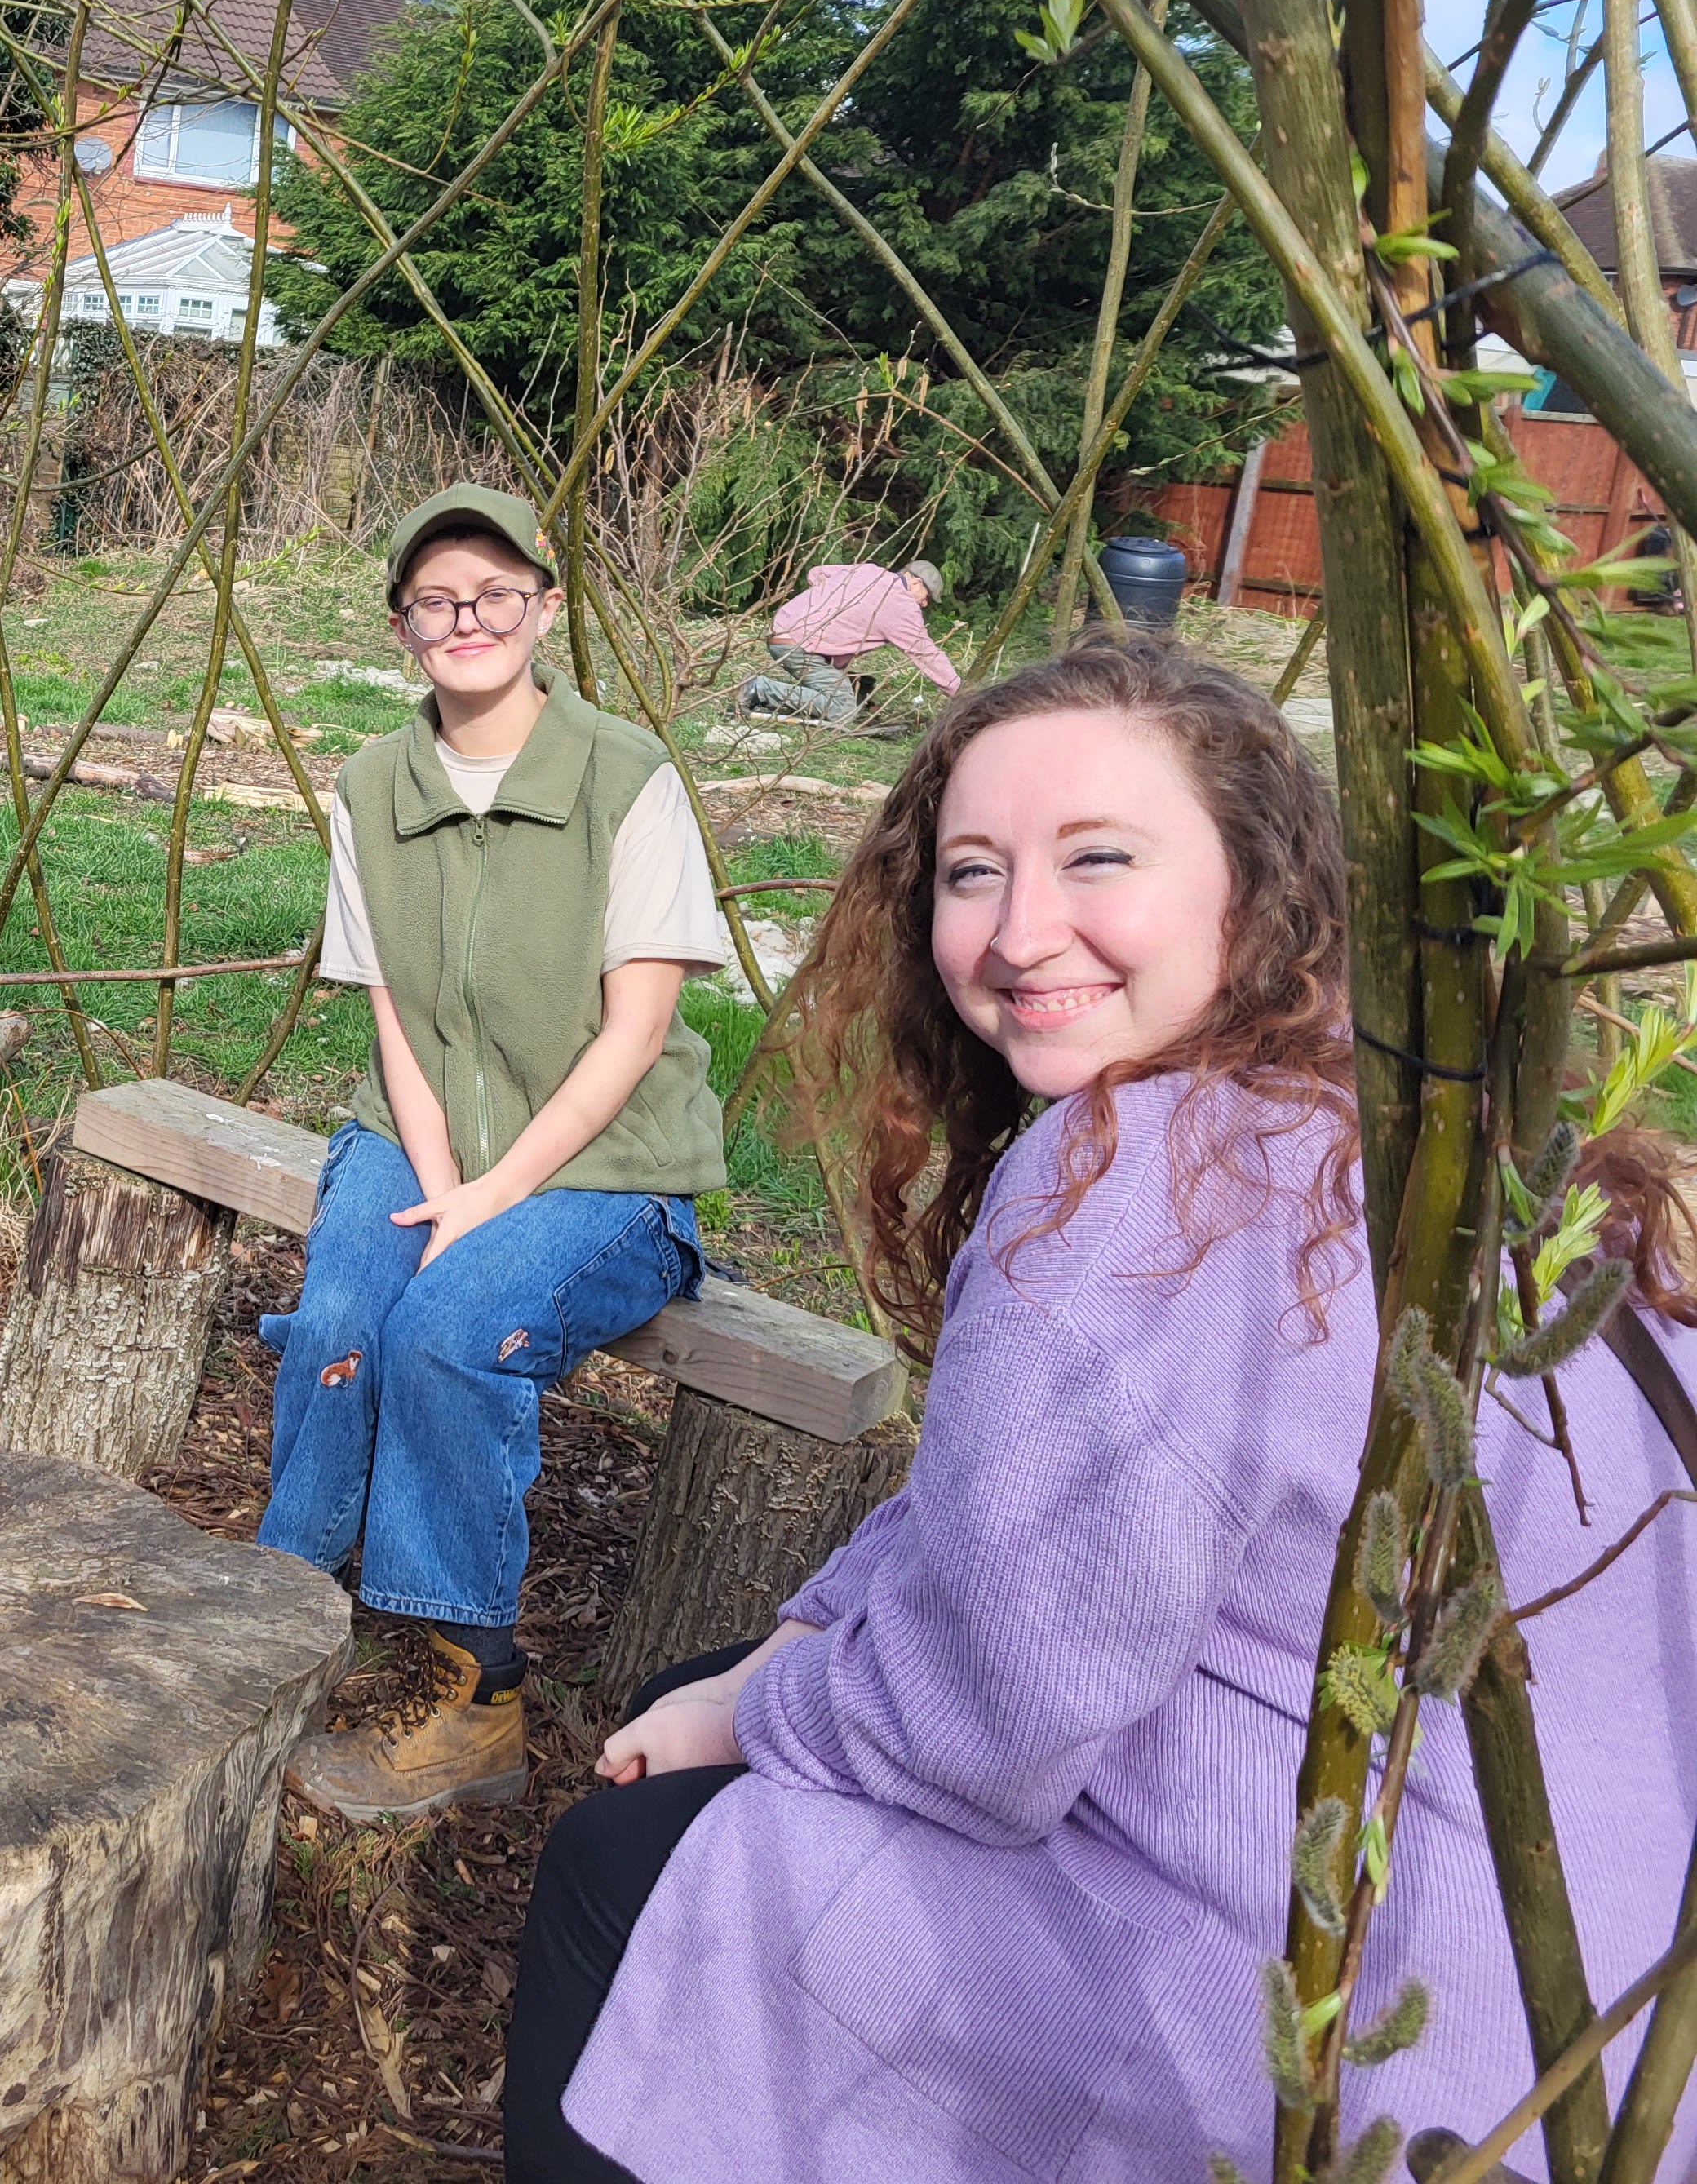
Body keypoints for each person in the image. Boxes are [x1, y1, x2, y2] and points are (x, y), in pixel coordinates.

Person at [507, 636, 1697, 2182]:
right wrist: (807, 1633)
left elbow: (979, 1731)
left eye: (1100, 859)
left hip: (1354, 2041)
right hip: (1616, 2041)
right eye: (973, 871)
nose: (1016, 933)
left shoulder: (1144, 1176)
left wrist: (755, 1708)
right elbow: (1017, 1512)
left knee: (625, 1864)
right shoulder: (1444, 1147)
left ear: (1254, 890)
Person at [260, 485, 730, 1821]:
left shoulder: (623, 778)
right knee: (343, 1315)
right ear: (404, 627)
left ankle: (464, 1695)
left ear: (543, 607)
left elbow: (637, 1031)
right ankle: (284, 1624)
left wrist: (495, 1197)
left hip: (605, 1165)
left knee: (448, 1328)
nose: (466, 620)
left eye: (494, 593)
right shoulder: (367, 787)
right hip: (420, 1132)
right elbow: (395, 1017)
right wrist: (442, 1177)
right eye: (436, 600)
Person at [735, 556, 954, 723]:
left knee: (854, 685)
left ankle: (850, 686)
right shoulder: (902, 606)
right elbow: (927, 655)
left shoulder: (869, 571)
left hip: (781, 629)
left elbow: (816, 573)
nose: (925, 604)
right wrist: (960, 692)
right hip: (797, 647)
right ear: (915, 583)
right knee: (843, 709)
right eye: (926, 597)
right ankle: (757, 688)